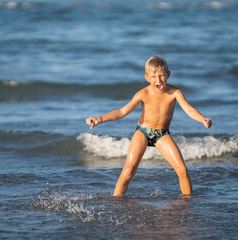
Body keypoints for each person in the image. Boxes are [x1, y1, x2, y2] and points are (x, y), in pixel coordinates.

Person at [86, 56, 212, 197]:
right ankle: (116, 200)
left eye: (161, 76)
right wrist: (99, 119)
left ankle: (188, 202)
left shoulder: (174, 93)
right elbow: (122, 112)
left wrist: (202, 119)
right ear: (147, 77)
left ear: (168, 75)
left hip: (162, 134)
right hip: (143, 132)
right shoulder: (143, 94)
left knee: (182, 169)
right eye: (153, 77)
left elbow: (189, 109)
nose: (158, 80)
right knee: (129, 169)